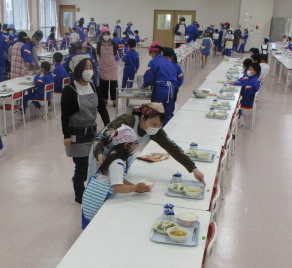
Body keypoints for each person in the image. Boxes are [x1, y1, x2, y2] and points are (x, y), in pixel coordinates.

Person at [88, 102, 205, 184]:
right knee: (99, 185)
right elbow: (101, 138)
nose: (156, 127)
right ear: (143, 118)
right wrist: (99, 154)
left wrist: (193, 168)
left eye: (160, 125)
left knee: (115, 185)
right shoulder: (128, 120)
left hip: (121, 159)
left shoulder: (155, 130)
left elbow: (172, 147)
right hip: (102, 154)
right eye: (154, 124)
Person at [61, 58, 111, 204]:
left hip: (92, 132)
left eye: (91, 67)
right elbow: (65, 115)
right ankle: (79, 196)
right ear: (77, 69)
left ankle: (83, 183)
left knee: (91, 163)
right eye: (85, 68)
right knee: (81, 165)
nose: (89, 71)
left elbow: (102, 108)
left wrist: (108, 126)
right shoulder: (70, 90)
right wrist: (66, 135)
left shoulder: (94, 87)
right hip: (76, 133)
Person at [81, 125, 150, 228]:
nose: (136, 145)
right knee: (96, 227)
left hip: (91, 197)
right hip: (96, 201)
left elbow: (117, 178)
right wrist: (136, 187)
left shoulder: (113, 154)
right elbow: (118, 187)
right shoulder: (117, 163)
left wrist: (135, 186)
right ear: (126, 145)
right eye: (135, 143)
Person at [142, 41, 179, 126]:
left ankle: (156, 130)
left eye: (150, 53)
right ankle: (167, 128)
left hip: (161, 89)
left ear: (153, 52)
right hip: (171, 89)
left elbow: (149, 76)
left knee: (157, 111)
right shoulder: (168, 61)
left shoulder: (153, 62)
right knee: (167, 111)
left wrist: (144, 85)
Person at [96, 27, 120, 107]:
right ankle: (104, 99)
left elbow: (115, 53)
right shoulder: (99, 43)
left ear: (109, 34)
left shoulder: (113, 43)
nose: (106, 35)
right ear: (102, 35)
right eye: (104, 34)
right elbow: (98, 53)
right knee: (103, 83)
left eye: (107, 34)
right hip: (103, 65)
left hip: (112, 66)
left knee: (113, 83)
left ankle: (114, 100)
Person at [234, 62, 261, 127]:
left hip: (247, 101)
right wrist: (237, 83)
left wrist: (238, 91)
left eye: (250, 69)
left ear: (255, 72)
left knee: (235, 100)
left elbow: (245, 94)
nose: (248, 71)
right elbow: (244, 84)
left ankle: (239, 119)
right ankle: (240, 117)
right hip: (248, 98)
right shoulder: (253, 78)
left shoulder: (252, 82)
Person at [162, 48, 184, 112]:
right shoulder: (175, 66)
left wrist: (175, 86)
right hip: (172, 89)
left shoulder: (174, 66)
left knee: (165, 108)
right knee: (169, 108)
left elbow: (180, 78)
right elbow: (181, 78)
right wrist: (175, 86)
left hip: (165, 88)